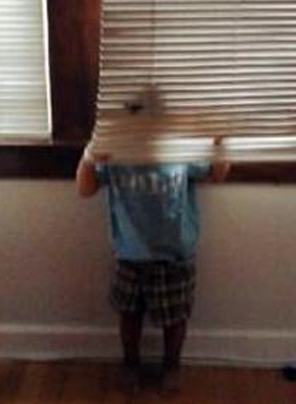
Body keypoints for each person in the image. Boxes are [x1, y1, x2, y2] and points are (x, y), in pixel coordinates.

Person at [76, 140, 230, 396]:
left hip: (175, 251)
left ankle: (172, 364)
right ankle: (130, 362)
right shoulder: (115, 148)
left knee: (176, 317)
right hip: (129, 251)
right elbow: (85, 188)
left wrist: (218, 145)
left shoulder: (181, 147)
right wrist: (89, 156)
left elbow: (217, 174)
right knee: (129, 313)